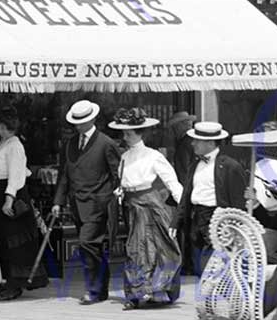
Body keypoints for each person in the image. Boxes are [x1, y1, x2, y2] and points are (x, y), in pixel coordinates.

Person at [103, 108, 181, 307]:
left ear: (140, 133)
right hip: (132, 206)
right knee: (136, 248)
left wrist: (183, 207)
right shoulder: (125, 157)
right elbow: (123, 180)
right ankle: (136, 293)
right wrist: (120, 192)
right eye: (125, 133)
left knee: (158, 247)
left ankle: (158, 290)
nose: (126, 136)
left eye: (129, 133)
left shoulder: (153, 156)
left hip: (152, 204)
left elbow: (171, 181)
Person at [51, 99, 121, 304]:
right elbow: (64, 174)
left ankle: (93, 289)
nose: (78, 126)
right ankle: (101, 289)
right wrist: (58, 201)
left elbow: (117, 173)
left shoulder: (107, 143)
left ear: (92, 120)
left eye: (82, 122)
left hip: (98, 203)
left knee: (87, 243)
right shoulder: (70, 144)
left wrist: (111, 196)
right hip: (77, 203)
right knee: (94, 247)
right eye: (76, 122)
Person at [0, 108, 39, 299]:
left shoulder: (15, 145)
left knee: (12, 240)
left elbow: (16, 174)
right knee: (2, 239)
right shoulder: (3, 144)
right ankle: (7, 279)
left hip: (8, 192)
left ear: (3, 125)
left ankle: (15, 283)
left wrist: (8, 199)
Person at [179, 118, 248, 277]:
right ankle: (207, 297)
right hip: (197, 218)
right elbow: (186, 195)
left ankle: (214, 297)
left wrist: (234, 228)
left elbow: (239, 202)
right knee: (198, 265)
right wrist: (177, 221)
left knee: (213, 264)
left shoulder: (230, 166)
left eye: (197, 141)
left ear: (210, 143)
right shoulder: (195, 164)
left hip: (217, 218)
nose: (192, 144)